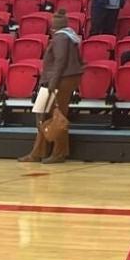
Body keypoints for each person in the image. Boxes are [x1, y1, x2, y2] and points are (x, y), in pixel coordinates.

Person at [20, 10, 83, 164]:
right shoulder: (69, 36)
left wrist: (52, 84)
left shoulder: (60, 38)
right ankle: (39, 152)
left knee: (56, 117)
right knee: (43, 114)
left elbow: (60, 61)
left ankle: (58, 153)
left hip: (56, 81)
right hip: (58, 80)